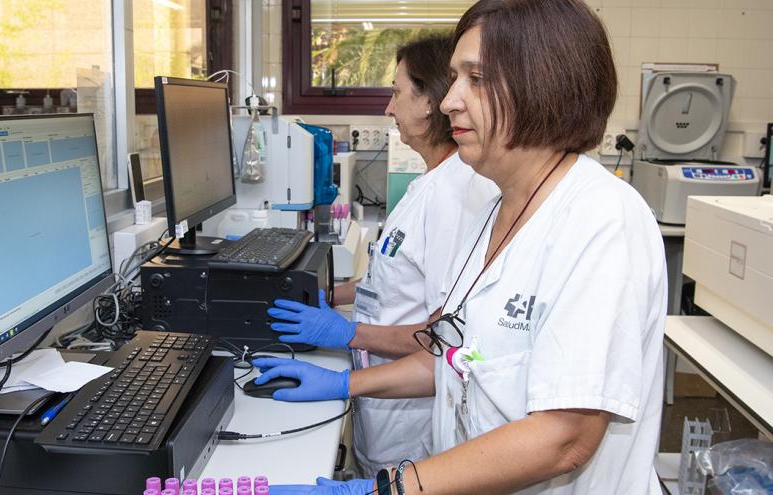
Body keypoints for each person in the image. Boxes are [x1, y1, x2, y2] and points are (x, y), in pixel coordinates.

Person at [261, 0, 667, 493]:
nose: (450, 100)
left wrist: (386, 489)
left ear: (544, 84)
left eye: (474, 78)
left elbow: (567, 437)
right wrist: (343, 384)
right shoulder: (496, 213)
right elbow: (456, 359)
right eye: (454, 78)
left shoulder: (602, 220)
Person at [265, 36, 498, 476]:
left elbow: (444, 334)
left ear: (430, 101)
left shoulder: (455, 195)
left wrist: (351, 333)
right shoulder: (427, 184)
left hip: (411, 422)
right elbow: (394, 282)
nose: (388, 109)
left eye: (396, 92)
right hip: (383, 404)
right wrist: (329, 295)